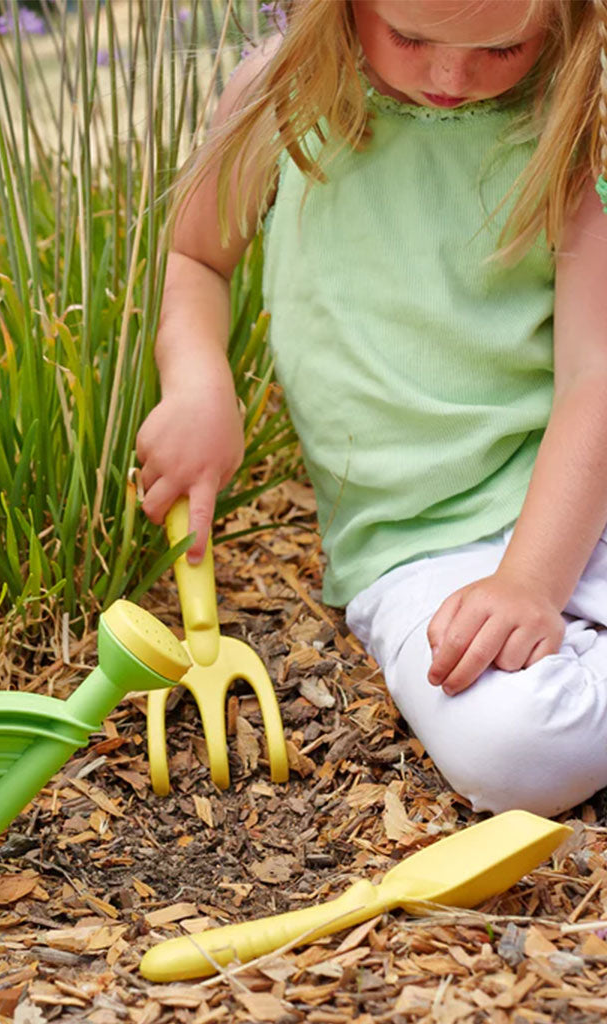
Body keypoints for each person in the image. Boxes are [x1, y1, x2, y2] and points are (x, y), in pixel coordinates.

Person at [136, 0, 607, 817]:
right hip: (419, 544)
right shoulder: (282, 96)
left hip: (579, 491)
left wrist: (533, 582)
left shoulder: (571, 114)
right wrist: (198, 381)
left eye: (502, 48)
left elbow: (592, 378)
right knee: (512, 750)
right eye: (412, 39)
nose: (451, 77)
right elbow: (196, 258)